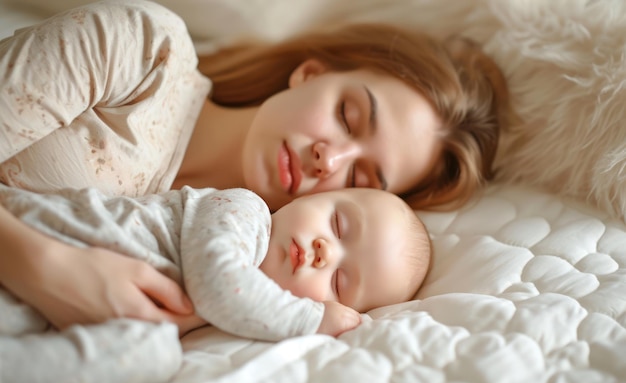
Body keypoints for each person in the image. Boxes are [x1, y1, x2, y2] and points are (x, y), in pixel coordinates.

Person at [0, 0, 510, 332]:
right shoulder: (144, 51)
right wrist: (42, 266)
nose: (329, 158)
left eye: (359, 178)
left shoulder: (239, 282)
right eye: (347, 115)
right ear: (310, 73)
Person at [0, 184, 430, 383]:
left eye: (339, 281)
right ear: (312, 196)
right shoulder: (244, 211)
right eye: (338, 225)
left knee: (154, 356)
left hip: (57, 307)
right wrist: (312, 319)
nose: (325, 251)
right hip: (53, 232)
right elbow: (220, 283)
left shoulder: (233, 321)